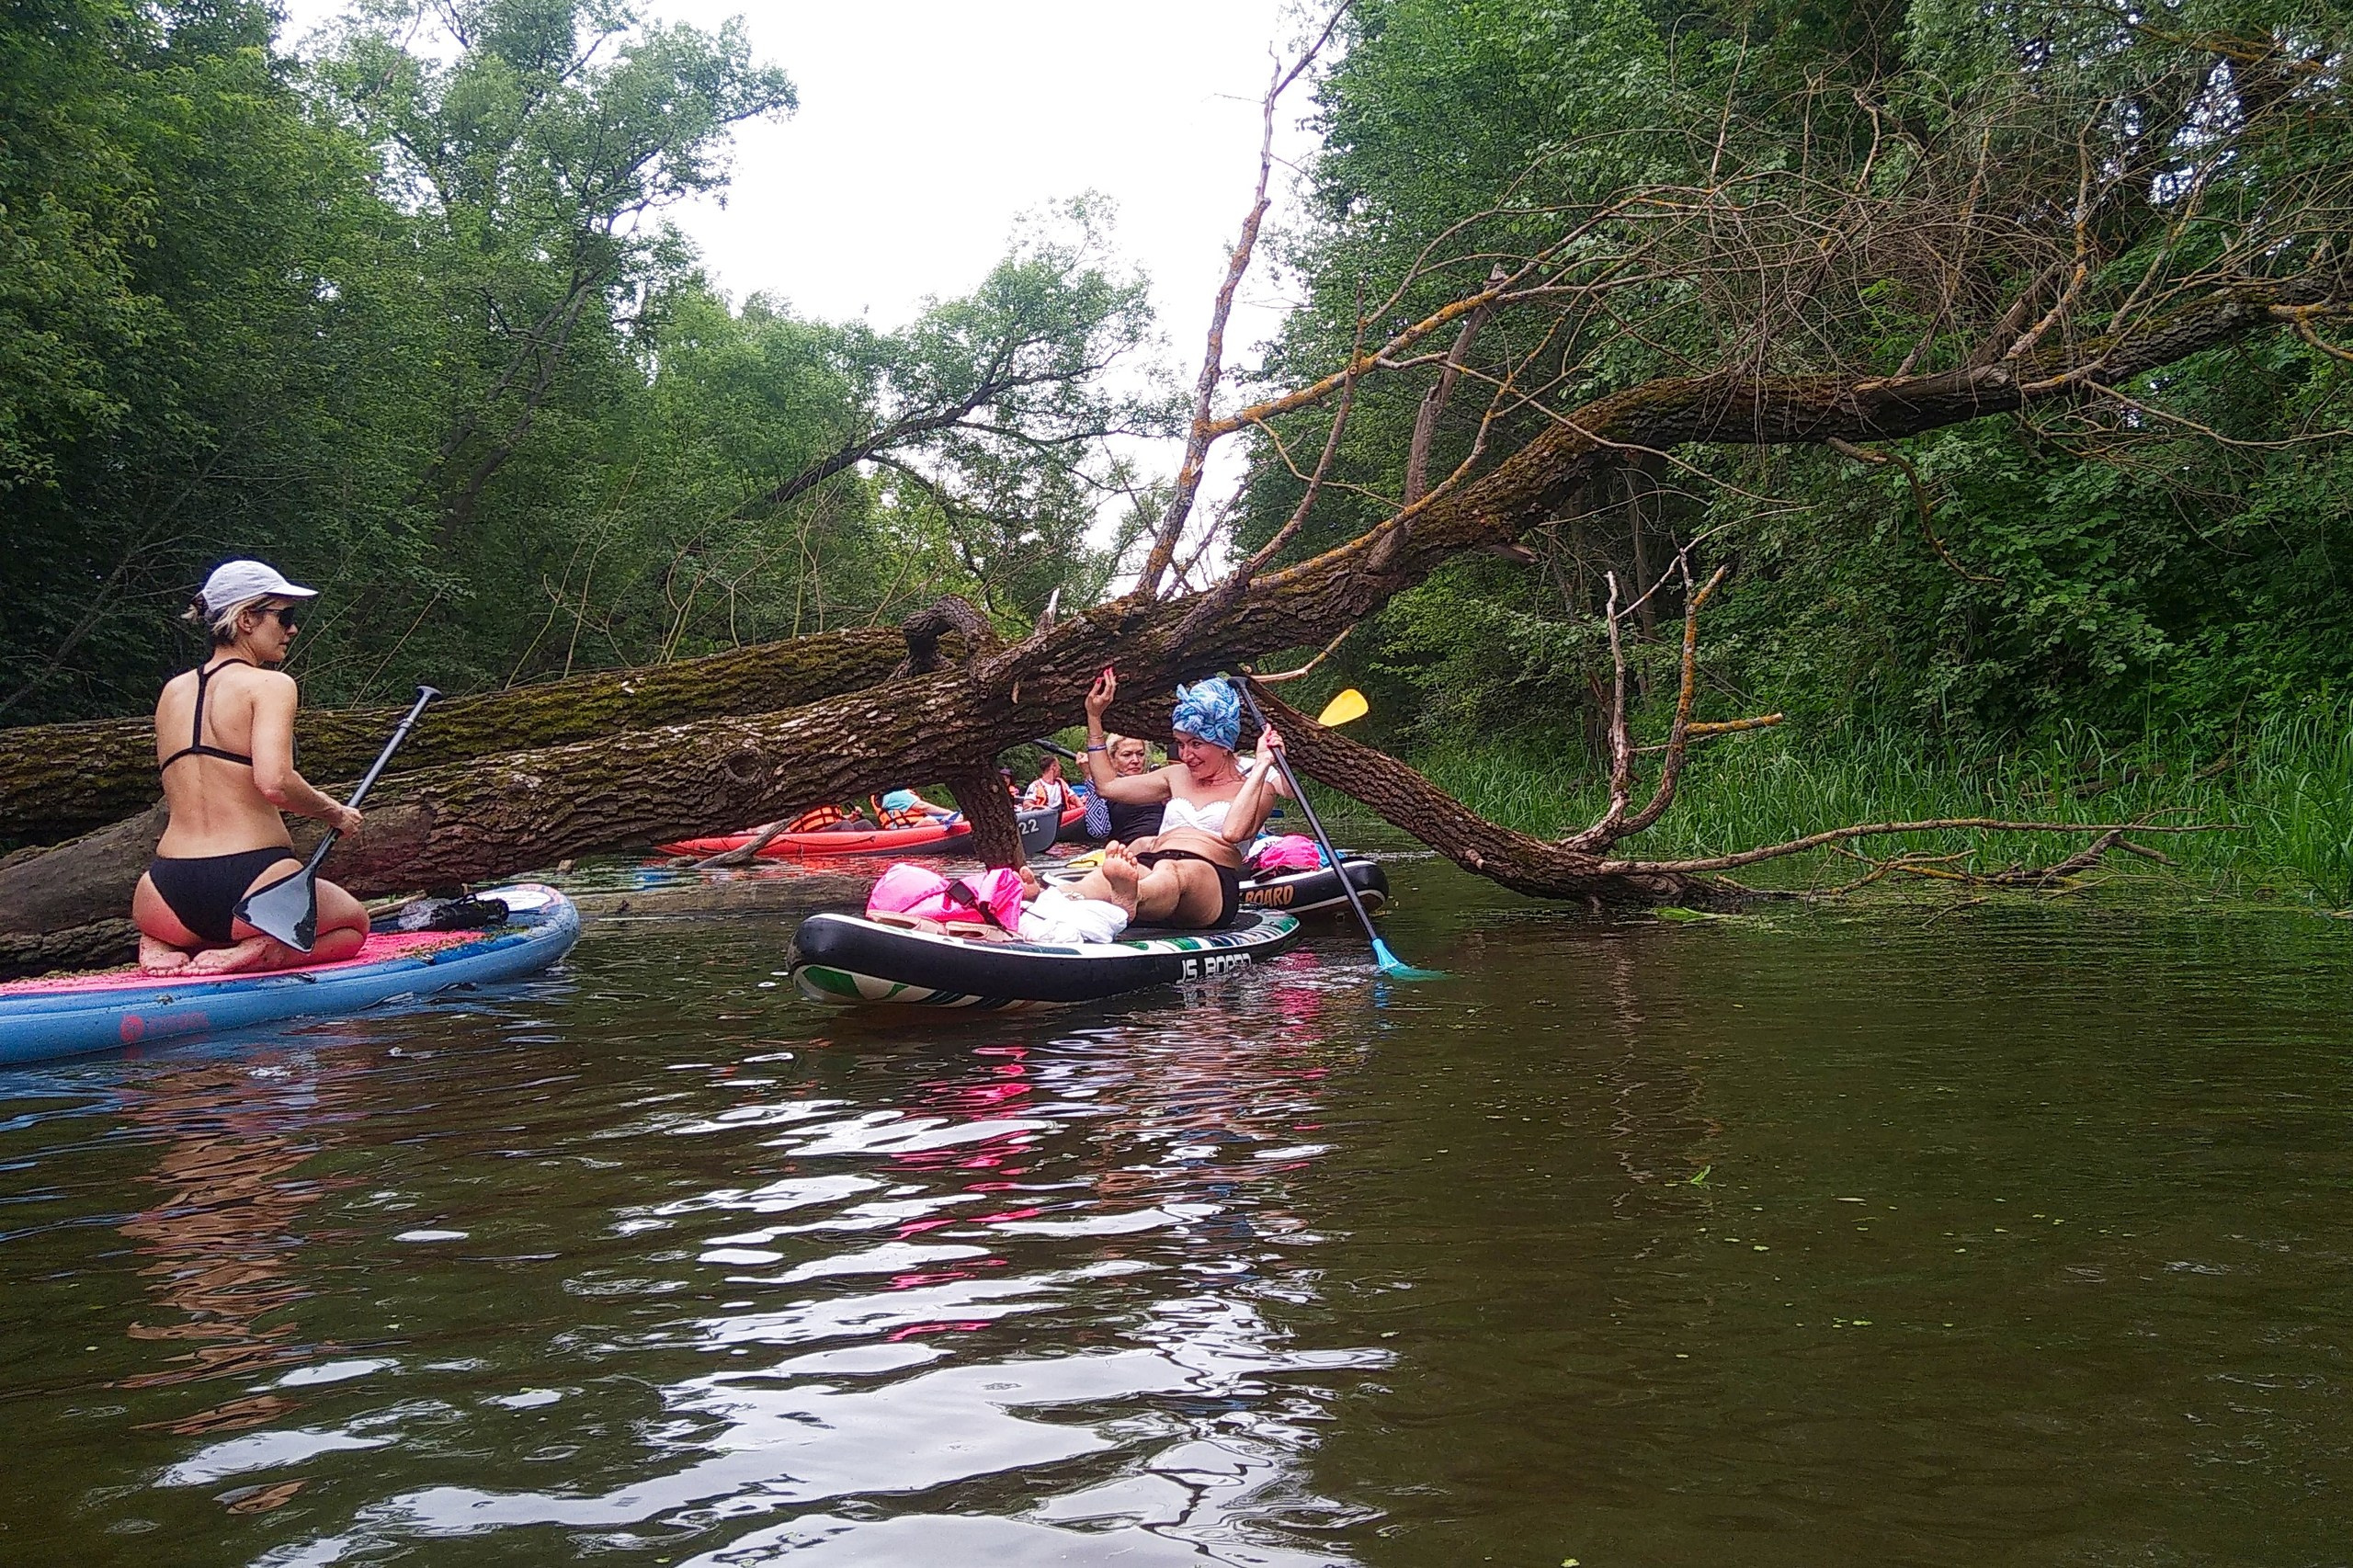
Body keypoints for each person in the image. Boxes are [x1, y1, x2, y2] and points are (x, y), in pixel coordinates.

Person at [135, 561, 369, 976]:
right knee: (354, 925)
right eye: (284, 616)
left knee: (204, 925)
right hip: (254, 883)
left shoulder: (172, 691)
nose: (292, 629)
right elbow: (275, 782)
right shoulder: (270, 685)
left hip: (163, 892)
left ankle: (161, 941)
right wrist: (335, 813)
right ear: (246, 619)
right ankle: (265, 951)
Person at [1064, 670, 1290, 929]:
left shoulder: (1258, 785)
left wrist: (1262, 764)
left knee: (1173, 871)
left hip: (1209, 879)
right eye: (1181, 744)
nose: (1186, 755)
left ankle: (1132, 895)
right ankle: (1046, 898)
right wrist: (1094, 718)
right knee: (1102, 879)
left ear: (1224, 745)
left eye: (1196, 744)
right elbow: (1108, 786)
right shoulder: (1176, 775)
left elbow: (1234, 832)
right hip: (1154, 863)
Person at [871, 789, 961, 830]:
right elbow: (922, 807)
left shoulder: (883, 796)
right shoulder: (895, 794)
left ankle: (948, 824)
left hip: (911, 827)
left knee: (957, 817)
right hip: (905, 832)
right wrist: (949, 812)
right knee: (930, 821)